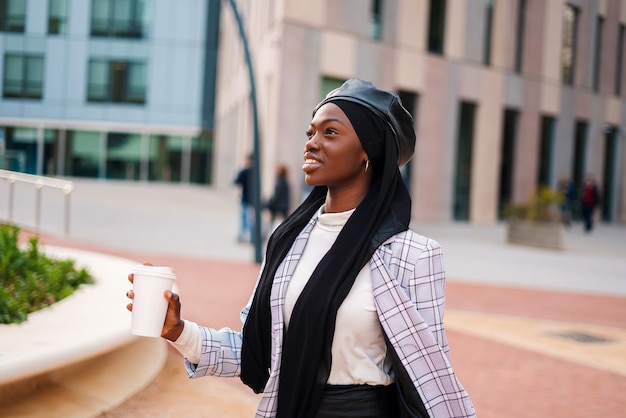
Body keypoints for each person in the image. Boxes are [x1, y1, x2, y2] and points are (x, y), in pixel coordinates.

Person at [126, 79, 476, 417]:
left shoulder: (413, 255)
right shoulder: (287, 242)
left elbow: (428, 376)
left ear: (368, 151)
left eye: (330, 132)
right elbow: (256, 355)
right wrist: (177, 330)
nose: (311, 142)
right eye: (310, 132)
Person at [234, 154, 254, 242]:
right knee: (249, 219)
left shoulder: (245, 171)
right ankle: (250, 237)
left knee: (245, 219)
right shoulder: (255, 172)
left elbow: (236, 181)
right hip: (251, 199)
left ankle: (244, 236)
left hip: (246, 198)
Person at [265, 164, 291, 232]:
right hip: (284, 206)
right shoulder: (285, 182)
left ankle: (272, 232)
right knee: (285, 222)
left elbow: (277, 196)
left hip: (278, 206)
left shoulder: (279, 183)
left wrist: (270, 203)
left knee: (274, 222)